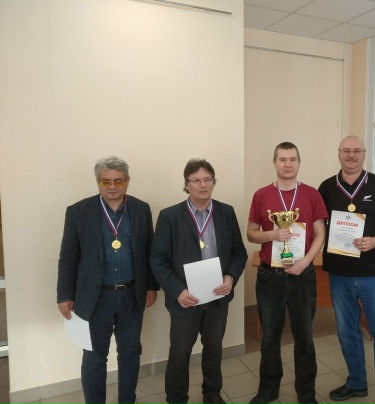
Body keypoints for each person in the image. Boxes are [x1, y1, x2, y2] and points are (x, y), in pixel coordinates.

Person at [57, 156, 159, 404]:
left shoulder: (141, 209)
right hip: (94, 298)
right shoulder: (78, 211)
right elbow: (68, 256)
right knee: (94, 358)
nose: (112, 186)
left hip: (131, 296)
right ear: (98, 182)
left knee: (130, 354)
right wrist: (65, 295)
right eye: (105, 181)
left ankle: (127, 400)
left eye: (118, 181)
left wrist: (151, 286)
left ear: (127, 181)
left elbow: (149, 251)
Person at [150, 158, 247, 404]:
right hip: (186, 299)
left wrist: (231, 277)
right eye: (196, 180)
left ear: (213, 183)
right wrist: (177, 291)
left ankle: (212, 394)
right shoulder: (170, 216)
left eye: (207, 179)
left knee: (214, 350)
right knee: (180, 354)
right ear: (186, 185)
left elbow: (239, 252)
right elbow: (158, 260)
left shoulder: (226, 212)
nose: (202, 185)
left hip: (217, 297)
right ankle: (176, 399)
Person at [318, 135, 375, 404]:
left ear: (364, 154)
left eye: (357, 150)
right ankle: (356, 383)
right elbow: (318, 226)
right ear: (339, 153)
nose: (351, 155)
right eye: (346, 150)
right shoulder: (326, 187)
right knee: (347, 333)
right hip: (339, 274)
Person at [247, 142, 327, 404]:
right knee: (270, 338)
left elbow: (320, 234)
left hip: (302, 275)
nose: (288, 164)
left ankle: (306, 393)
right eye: (282, 159)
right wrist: (271, 235)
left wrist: (305, 262)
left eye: (293, 159)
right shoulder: (261, 195)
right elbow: (251, 233)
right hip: (270, 277)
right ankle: (268, 390)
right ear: (274, 163)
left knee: (304, 338)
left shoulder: (312, 194)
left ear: (299, 162)